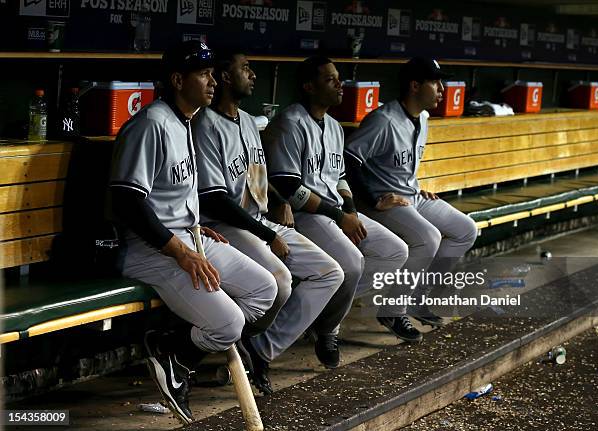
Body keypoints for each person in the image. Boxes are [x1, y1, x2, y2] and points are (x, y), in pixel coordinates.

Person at [108, 41, 277, 424]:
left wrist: (195, 227)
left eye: (212, 73)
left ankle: (175, 349)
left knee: (264, 289)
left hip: (189, 237)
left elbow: (170, 192)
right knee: (230, 323)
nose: (213, 80)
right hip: (151, 250)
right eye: (203, 74)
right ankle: (175, 354)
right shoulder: (151, 124)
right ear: (177, 79)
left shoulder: (185, 119)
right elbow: (128, 202)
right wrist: (181, 252)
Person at [191, 50, 344, 395]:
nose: (254, 75)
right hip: (225, 226)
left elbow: (257, 175)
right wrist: (266, 233)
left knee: (330, 272)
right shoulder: (204, 125)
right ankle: (223, 350)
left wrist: (279, 199)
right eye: (245, 68)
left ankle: (259, 350)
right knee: (281, 281)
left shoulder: (247, 120)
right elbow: (214, 198)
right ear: (226, 77)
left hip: (259, 220)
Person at [262, 56, 415, 343]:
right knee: (353, 263)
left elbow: (341, 178)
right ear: (309, 86)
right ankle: (322, 329)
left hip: (334, 211)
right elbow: (290, 188)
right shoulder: (290, 124)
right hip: (305, 216)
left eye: (338, 78)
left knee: (395, 250)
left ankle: (320, 313)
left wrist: (352, 212)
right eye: (330, 79)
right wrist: (340, 216)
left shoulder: (333, 126)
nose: (339, 84)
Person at [344, 57, 478, 334]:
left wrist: (416, 184)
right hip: (384, 202)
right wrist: (371, 199)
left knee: (466, 229)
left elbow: (402, 164)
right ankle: (393, 311)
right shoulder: (383, 120)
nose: (442, 88)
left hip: (412, 196)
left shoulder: (424, 118)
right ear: (415, 86)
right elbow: (348, 157)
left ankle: (416, 298)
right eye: (435, 82)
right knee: (428, 237)